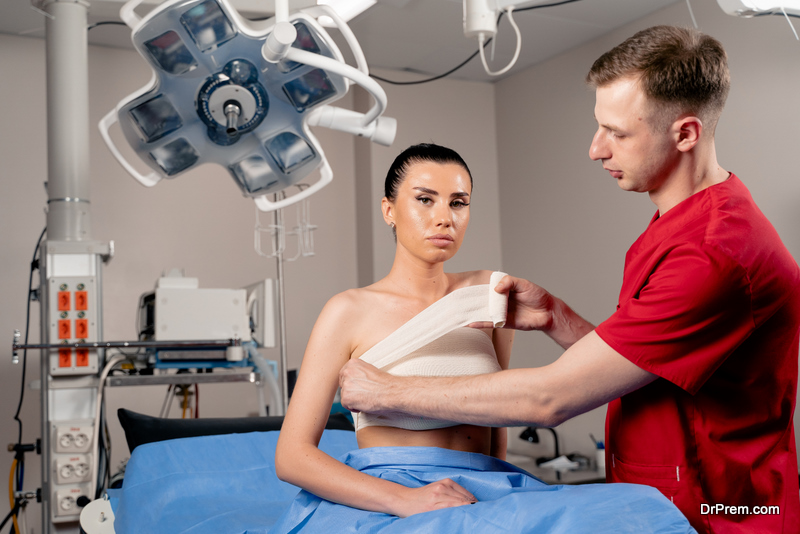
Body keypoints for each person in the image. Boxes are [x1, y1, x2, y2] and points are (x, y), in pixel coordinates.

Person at [339, 26, 800, 534]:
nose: (595, 149)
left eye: (617, 133)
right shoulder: (683, 223)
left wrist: (388, 392)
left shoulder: (715, 253)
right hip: (662, 499)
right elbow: (648, 363)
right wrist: (561, 320)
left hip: (722, 511)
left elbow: (549, 400)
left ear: (686, 133)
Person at [272, 143, 695, 533]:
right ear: (389, 210)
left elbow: (497, 416)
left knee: (639, 511)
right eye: (424, 199)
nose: (445, 217)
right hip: (393, 491)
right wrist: (405, 500)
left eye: (459, 202)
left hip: (486, 486)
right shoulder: (347, 311)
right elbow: (292, 456)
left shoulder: (486, 293)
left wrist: (502, 504)